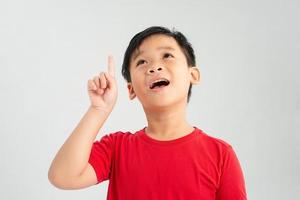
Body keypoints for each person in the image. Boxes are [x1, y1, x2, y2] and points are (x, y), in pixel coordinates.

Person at [48, 26, 247, 199]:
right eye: (142, 62)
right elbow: (63, 176)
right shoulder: (117, 149)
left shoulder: (221, 155)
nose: (154, 67)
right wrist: (98, 110)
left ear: (192, 75)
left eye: (167, 56)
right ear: (131, 89)